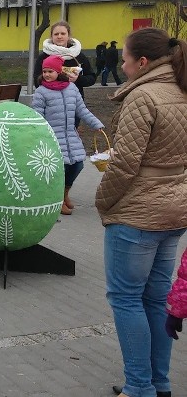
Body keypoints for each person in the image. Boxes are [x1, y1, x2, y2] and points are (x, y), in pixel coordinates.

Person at [95, 28, 187, 397]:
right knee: (154, 298)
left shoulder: (143, 96)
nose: (122, 63)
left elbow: (125, 163)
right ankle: (157, 384)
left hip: (137, 214)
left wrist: (103, 200)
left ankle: (139, 387)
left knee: (127, 299)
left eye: (125, 58)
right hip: (174, 212)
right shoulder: (181, 89)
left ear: (142, 62)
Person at [31, 55, 104, 215]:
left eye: (50, 71)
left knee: (78, 165)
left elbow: (82, 110)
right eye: (44, 71)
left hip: (71, 135)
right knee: (60, 169)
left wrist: (96, 124)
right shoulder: (41, 92)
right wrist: (41, 136)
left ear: (59, 71)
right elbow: (37, 116)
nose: (47, 74)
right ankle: (58, 200)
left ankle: (64, 194)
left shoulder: (71, 89)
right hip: (52, 137)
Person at [34, 21, 97, 98]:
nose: (59, 37)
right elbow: (37, 81)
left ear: (68, 35)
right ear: (51, 36)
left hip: (75, 101)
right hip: (51, 100)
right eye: (56, 34)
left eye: (63, 34)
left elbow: (92, 78)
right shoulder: (44, 56)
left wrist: (78, 79)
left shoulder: (78, 55)